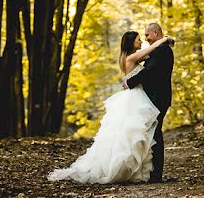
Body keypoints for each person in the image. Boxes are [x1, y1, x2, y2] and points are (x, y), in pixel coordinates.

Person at [48, 28, 175, 184]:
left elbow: (149, 63)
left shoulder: (132, 57)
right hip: (135, 97)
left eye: (143, 38)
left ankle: (142, 170)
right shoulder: (132, 57)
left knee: (135, 132)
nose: (142, 41)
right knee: (134, 132)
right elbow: (150, 55)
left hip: (138, 95)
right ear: (131, 43)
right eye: (138, 40)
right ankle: (129, 168)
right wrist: (164, 39)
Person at [122, 23, 174, 183]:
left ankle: (155, 174)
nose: (145, 39)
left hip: (159, 97)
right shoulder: (154, 51)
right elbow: (146, 69)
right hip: (151, 97)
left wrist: (130, 82)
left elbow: (149, 71)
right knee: (149, 133)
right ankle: (149, 172)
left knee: (155, 133)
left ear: (156, 33)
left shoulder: (163, 50)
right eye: (141, 37)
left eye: (147, 35)